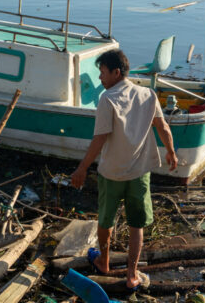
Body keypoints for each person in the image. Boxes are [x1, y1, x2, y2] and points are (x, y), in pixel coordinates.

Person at [70, 48, 178, 291]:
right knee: (136, 225)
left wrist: (82, 168)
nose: (100, 78)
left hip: (112, 173)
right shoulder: (148, 94)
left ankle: (104, 261)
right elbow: (162, 127)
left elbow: (99, 139)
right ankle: (131, 274)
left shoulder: (107, 100)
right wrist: (171, 151)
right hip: (140, 173)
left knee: (106, 220)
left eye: (103, 73)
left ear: (116, 73)